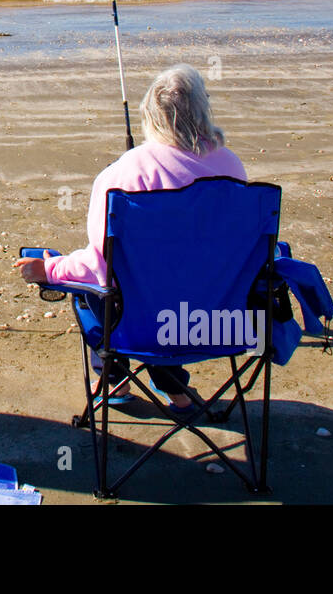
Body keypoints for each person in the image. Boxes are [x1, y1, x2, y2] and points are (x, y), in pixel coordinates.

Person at [14, 64, 245, 409]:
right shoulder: (232, 166)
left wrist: (50, 270)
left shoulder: (123, 173)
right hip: (220, 320)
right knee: (176, 280)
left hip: (148, 323)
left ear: (150, 115)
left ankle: (114, 380)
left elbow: (100, 262)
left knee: (97, 293)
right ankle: (176, 388)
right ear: (202, 110)